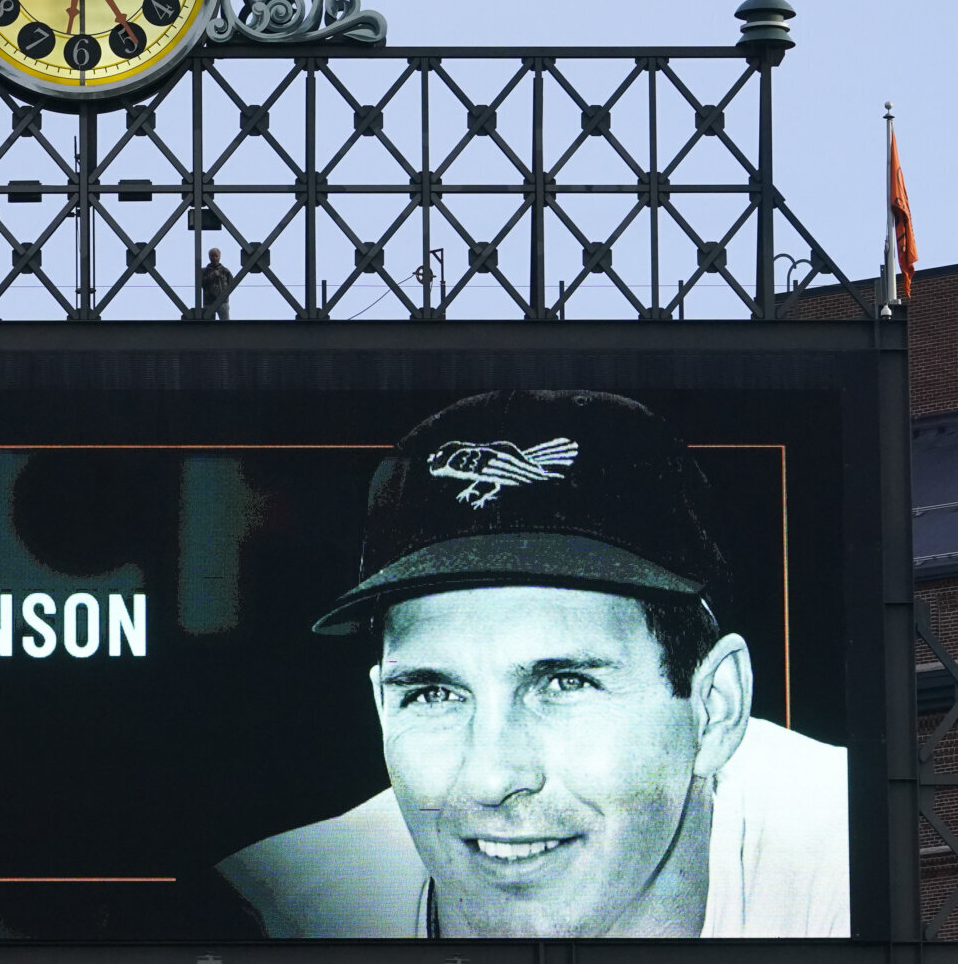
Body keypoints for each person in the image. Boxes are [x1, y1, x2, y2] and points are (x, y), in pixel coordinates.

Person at [217, 390, 847, 938]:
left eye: (565, 683)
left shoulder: (851, 860)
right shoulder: (277, 914)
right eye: (435, 694)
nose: (491, 778)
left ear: (714, 710)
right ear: (383, 711)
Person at [200, 247, 232, 320]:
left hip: (223, 301)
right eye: (212, 256)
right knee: (208, 327)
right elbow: (201, 284)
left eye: (216, 256)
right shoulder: (204, 271)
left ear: (219, 257)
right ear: (209, 257)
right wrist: (212, 276)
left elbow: (232, 284)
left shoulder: (225, 271)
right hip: (209, 302)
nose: (214, 258)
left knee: (226, 324)